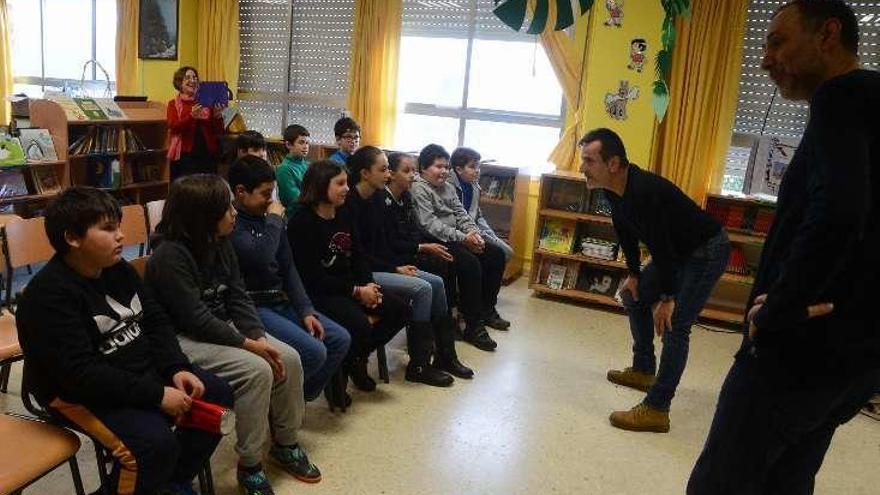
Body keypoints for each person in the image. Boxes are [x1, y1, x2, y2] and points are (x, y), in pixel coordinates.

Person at [688, 1, 880, 492]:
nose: (765, 59)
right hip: (853, 359)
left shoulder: (839, 99)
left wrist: (779, 311)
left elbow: (839, 211)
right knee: (788, 480)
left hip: (795, 355)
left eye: (777, 42)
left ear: (828, 35)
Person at [15, 187, 234, 495]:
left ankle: (169, 481)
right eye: (107, 229)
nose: (120, 235)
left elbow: (155, 320)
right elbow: (81, 375)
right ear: (72, 238)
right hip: (77, 394)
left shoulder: (117, 269)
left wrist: (175, 367)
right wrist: (157, 394)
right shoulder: (47, 297)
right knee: (152, 445)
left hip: (134, 373)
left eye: (118, 225)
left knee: (216, 395)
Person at [146, 175, 320, 495]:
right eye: (226, 207)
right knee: (256, 371)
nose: (234, 213)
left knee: (289, 358)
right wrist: (248, 344)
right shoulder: (169, 256)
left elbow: (239, 296)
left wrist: (259, 337)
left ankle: (285, 443)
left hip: (225, 327)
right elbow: (194, 319)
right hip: (185, 338)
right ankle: (250, 464)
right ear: (203, 216)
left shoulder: (220, 242)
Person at [578, 128, 730, 433]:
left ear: (613, 163)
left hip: (706, 250)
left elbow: (662, 246)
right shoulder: (610, 189)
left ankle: (657, 409)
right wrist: (634, 275)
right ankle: (644, 368)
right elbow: (625, 232)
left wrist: (667, 299)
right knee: (632, 297)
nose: (582, 167)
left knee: (675, 326)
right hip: (675, 253)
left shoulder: (644, 191)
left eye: (589, 160)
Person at [228, 155, 352, 406]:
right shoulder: (233, 223)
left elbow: (288, 267)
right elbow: (260, 257)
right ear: (241, 192)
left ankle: (293, 402)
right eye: (265, 194)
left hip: (280, 299)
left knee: (339, 339)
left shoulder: (269, 220)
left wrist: (306, 310)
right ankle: (286, 406)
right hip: (254, 306)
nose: (272, 201)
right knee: (314, 352)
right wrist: (274, 220)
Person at [345, 146, 468, 385]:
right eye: (384, 170)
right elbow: (361, 253)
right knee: (423, 289)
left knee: (437, 282)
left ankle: (445, 355)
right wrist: (395, 268)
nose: (388, 175)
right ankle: (419, 365)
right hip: (366, 272)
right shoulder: (356, 204)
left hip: (383, 265)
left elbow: (382, 246)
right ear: (364, 173)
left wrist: (396, 265)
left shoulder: (376, 199)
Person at [288, 159, 410, 393]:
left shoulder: (344, 212)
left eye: (347, 182)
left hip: (352, 284)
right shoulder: (302, 222)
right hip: (322, 292)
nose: (347, 188)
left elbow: (358, 256)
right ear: (321, 185)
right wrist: (356, 292)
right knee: (360, 325)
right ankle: (350, 363)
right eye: (340, 183)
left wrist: (369, 285)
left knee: (401, 309)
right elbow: (312, 278)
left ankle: (353, 359)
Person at [381, 151, 475, 378]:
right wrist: (411, 255)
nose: (413, 176)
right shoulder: (380, 203)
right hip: (389, 262)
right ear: (391, 175)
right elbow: (384, 245)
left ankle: (446, 355)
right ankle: (419, 364)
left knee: (440, 276)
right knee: (430, 282)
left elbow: (411, 233)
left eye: (414, 170)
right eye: (408, 171)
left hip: (405, 255)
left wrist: (419, 248)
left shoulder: (404, 197)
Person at [411, 144, 508, 352]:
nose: (444, 171)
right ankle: (473, 326)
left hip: (457, 237)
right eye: (438, 167)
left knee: (495, 254)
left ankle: (486, 310)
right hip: (434, 241)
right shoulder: (419, 188)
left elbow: (461, 214)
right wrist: (464, 238)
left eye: (446, 167)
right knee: (470, 264)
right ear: (424, 169)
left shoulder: (447, 187)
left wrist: (474, 234)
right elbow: (429, 224)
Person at [448, 147, 514, 262]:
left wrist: (490, 235)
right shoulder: (448, 186)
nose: (477, 170)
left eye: (478, 166)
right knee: (498, 253)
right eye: (472, 167)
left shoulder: (475, 186)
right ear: (459, 169)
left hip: (474, 229)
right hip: (460, 233)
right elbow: (452, 218)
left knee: (507, 252)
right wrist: (475, 235)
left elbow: (478, 216)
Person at [166, 66, 225, 179]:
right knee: (187, 189)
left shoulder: (206, 101)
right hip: (185, 155)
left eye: (195, 77)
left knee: (208, 188)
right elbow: (173, 127)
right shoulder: (173, 104)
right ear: (179, 83)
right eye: (187, 78)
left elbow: (219, 131)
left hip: (208, 154)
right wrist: (191, 116)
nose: (192, 80)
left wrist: (217, 116)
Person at [277, 124, 311, 219]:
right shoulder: (284, 169)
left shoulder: (308, 165)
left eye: (307, 143)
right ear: (288, 145)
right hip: (296, 217)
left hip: (310, 213)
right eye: (301, 142)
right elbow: (295, 199)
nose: (305, 146)